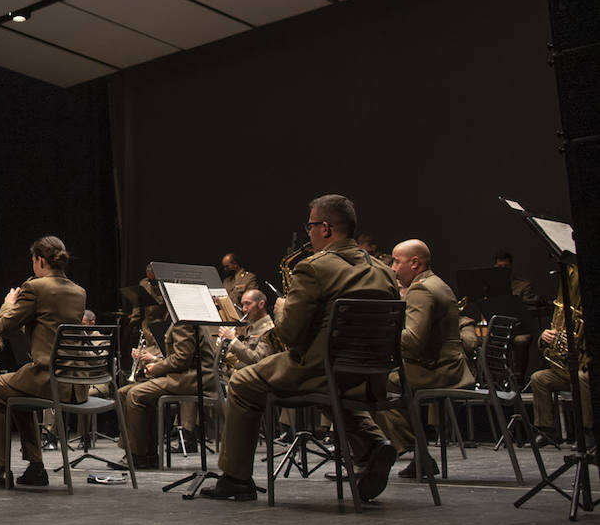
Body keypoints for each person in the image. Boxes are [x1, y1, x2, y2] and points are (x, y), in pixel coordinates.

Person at [203, 195, 399, 503]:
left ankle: (235, 479)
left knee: (242, 383)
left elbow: (291, 335)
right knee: (323, 387)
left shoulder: (314, 268)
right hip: (371, 374)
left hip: (321, 369)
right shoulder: (385, 271)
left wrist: (281, 308)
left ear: (324, 228)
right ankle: (374, 445)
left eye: (310, 227)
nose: (308, 234)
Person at [0, 236, 85, 489]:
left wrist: (7, 304)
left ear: (39, 260)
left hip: (48, 379)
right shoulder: (79, 291)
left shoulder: (35, 287)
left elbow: (4, 325)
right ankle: (36, 468)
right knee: (17, 392)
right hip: (74, 382)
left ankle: (0, 469)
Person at [376, 239, 474, 477]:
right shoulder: (436, 282)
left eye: (397, 262)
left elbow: (412, 342)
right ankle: (419, 454)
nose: (393, 268)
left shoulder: (421, 290)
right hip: (449, 366)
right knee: (387, 384)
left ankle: (406, 450)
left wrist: (379, 332)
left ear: (415, 263)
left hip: (438, 370)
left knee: (372, 387)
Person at [120, 305, 216, 469]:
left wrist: (156, 368)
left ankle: (139, 455)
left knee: (136, 395)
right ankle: (147, 451)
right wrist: (156, 364)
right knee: (123, 392)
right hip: (185, 375)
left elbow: (182, 359)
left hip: (190, 378)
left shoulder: (184, 321)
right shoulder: (183, 318)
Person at [530, 263, 590, 447]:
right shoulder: (563, 311)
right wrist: (544, 337)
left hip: (584, 366)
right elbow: (547, 345)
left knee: (582, 378)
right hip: (565, 369)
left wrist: (577, 339)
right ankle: (547, 430)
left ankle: (588, 432)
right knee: (539, 378)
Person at [218, 288, 279, 377]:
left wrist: (233, 340)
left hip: (256, 379)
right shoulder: (250, 326)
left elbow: (257, 359)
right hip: (241, 374)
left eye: (248, 304)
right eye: (243, 305)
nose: (244, 309)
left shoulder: (268, 329)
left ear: (261, 304)